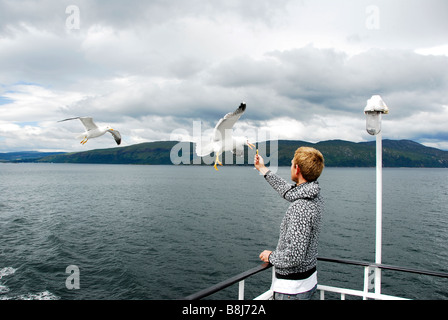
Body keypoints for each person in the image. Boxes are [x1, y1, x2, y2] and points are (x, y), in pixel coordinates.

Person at [254, 147, 324, 300]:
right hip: (306, 283)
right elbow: (289, 192)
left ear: (297, 169)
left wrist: (271, 257)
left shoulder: (301, 207)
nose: (290, 166)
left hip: (293, 291)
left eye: (292, 164)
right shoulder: (314, 194)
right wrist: (263, 169)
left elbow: (294, 256)